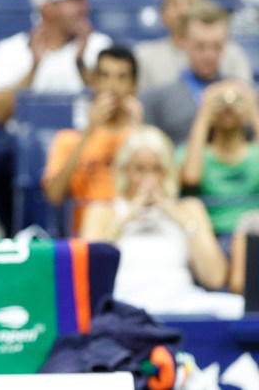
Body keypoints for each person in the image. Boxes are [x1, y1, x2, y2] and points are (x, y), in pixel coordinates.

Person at [0, 0, 112, 234]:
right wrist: (34, 68)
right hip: (26, 146)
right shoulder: (11, 50)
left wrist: (81, 65)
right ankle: (16, 237)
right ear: (47, 8)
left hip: (86, 140)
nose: (83, 7)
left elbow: (112, 99)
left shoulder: (99, 46)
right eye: (73, 0)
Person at [81, 125, 241, 318]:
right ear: (125, 170)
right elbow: (88, 273)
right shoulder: (103, 211)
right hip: (124, 299)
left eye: (157, 169)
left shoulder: (188, 209)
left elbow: (215, 278)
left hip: (180, 298)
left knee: (237, 307)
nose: (149, 179)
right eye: (139, 169)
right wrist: (126, 218)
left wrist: (179, 218)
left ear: (167, 172)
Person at [41, 46, 141, 233]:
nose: (112, 85)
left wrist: (139, 133)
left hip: (135, 228)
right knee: (98, 211)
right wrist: (88, 132)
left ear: (134, 86)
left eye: (121, 77)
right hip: (88, 232)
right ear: (94, 82)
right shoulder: (68, 140)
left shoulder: (145, 137)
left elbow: (160, 191)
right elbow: (54, 196)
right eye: (105, 76)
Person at [143, 0, 236, 145]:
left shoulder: (239, 95)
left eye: (217, 46)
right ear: (184, 42)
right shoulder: (156, 99)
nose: (209, 55)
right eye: (200, 46)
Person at [133, 0, 252, 90]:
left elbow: (246, 100)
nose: (183, 10)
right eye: (174, 4)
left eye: (190, 2)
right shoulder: (145, 56)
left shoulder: (231, 53)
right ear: (162, 14)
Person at [179, 81, 259, 237]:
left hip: (254, 235)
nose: (228, 107)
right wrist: (204, 112)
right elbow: (191, 178)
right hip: (210, 236)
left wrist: (253, 110)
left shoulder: (255, 152)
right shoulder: (193, 154)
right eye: (220, 102)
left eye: (237, 101)